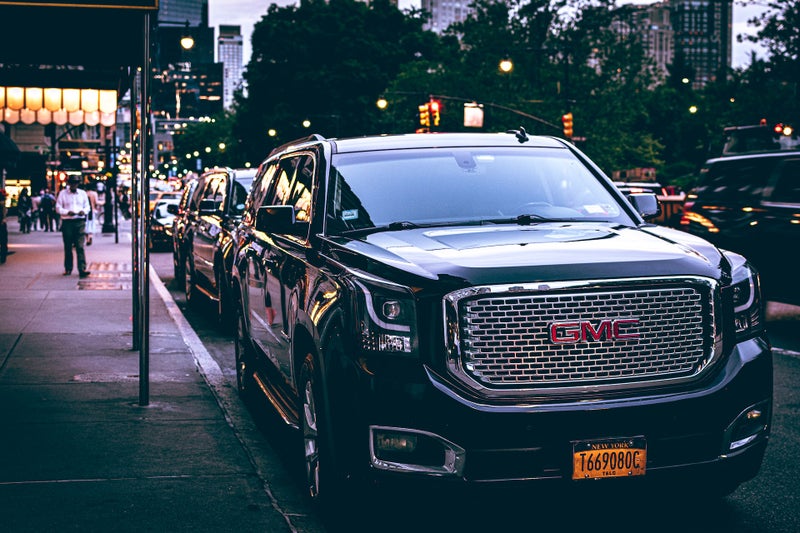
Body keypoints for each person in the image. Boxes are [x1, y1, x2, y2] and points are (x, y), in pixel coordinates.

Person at [55, 175, 91, 277]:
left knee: (80, 246)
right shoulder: (63, 194)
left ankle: (82, 268)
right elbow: (58, 207)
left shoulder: (82, 194)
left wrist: (83, 211)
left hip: (79, 222)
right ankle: (68, 268)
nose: (74, 185)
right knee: (68, 246)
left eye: (76, 183)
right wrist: (67, 212)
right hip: (68, 222)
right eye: (72, 183)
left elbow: (87, 207)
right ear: (69, 184)